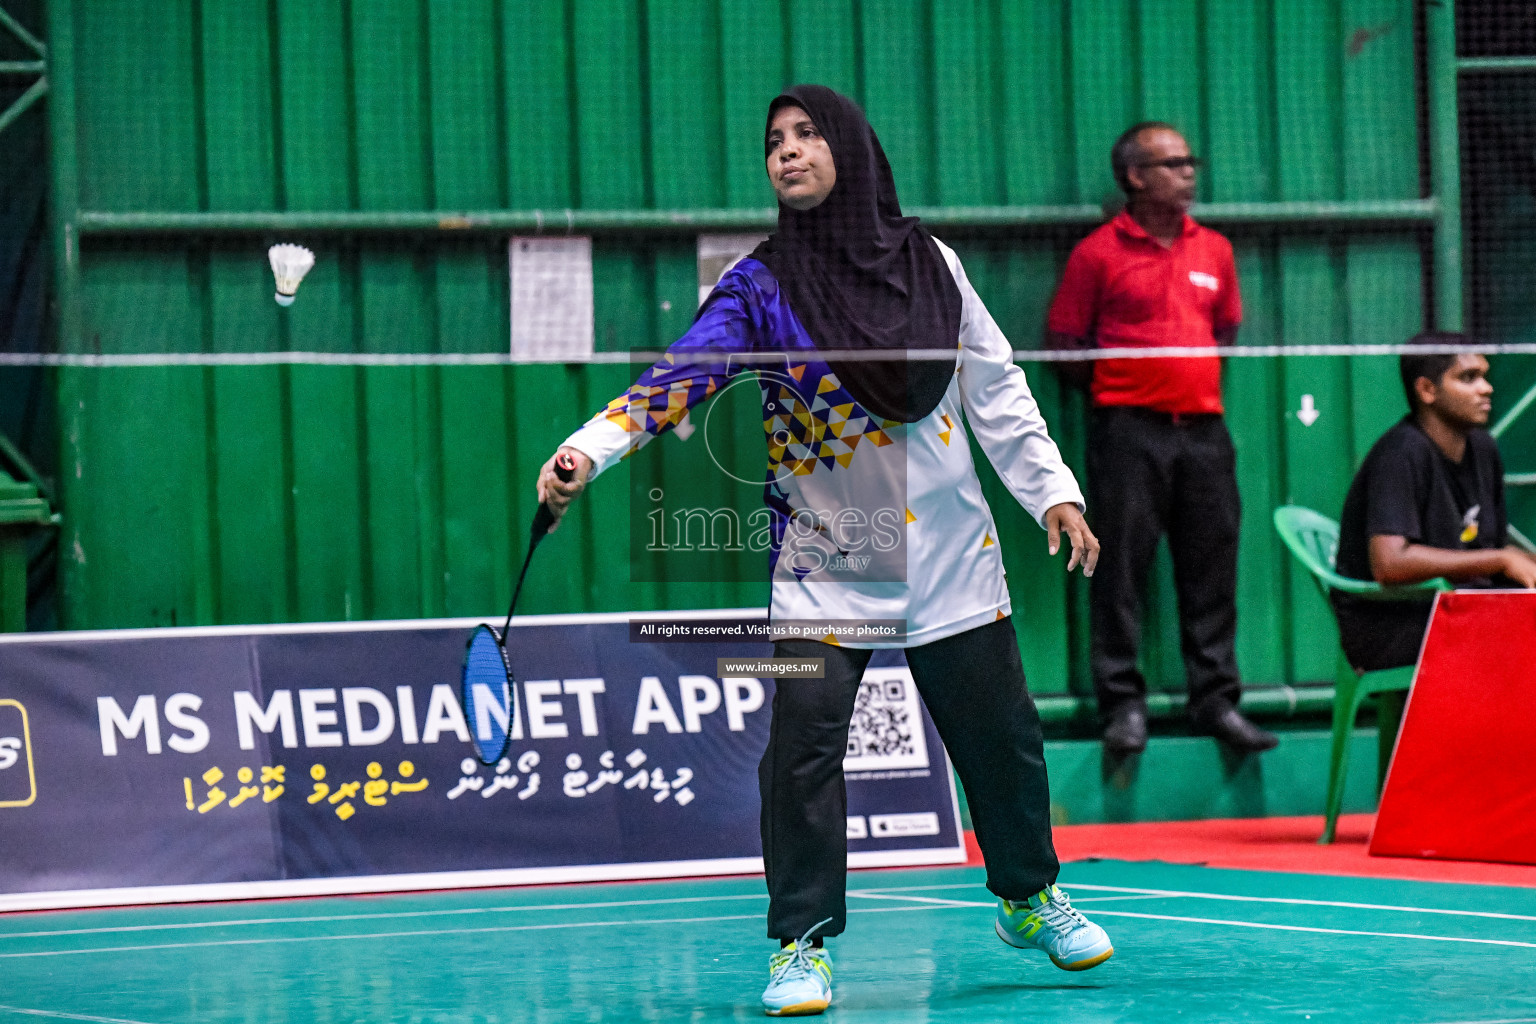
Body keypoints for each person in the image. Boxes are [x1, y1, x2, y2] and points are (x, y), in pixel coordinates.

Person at [536, 86, 1114, 1017]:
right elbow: (683, 373)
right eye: (774, 142)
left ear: (851, 148)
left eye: (807, 136)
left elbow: (997, 387)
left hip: (952, 558)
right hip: (825, 569)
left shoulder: (933, 266)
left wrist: (1053, 491)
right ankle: (800, 945)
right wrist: (587, 450)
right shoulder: (760, 287)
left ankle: (1026, 895)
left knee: (1001, 743)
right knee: (801, 755)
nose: (788, 153)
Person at [1045, 120, 1276, 757]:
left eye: (1188, 161)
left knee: (1212, 565)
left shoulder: (1216, 251)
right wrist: (1124, 395)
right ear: (1135, 177)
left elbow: (1224, 331)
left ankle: (1217, 702)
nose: (1188, 173)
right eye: (1172, 163)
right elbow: (1064, 343)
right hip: (1127, 434)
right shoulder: (1098, 253)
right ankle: (1122, 706)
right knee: (1118, 566)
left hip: (1203, 433)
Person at [1333, 336, 1536, 671]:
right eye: (1468, 378)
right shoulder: (1401, 454)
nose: (1486, 388)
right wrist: (1500, 560)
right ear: (1427, 390)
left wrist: (1514, 559)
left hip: (1457, 605)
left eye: (1485, 375)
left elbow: (1493, 546)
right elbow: (1389, 563)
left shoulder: (1483, 450)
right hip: (1391, 623)